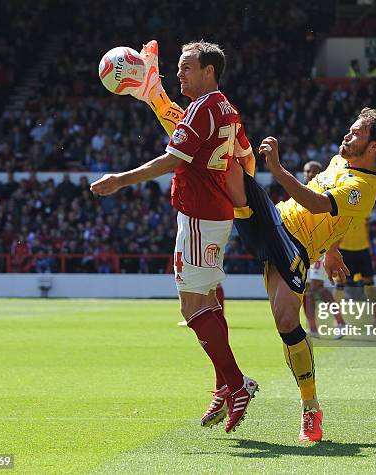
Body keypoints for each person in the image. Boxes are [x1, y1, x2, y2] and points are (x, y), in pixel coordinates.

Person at [91, 40, 258, 433]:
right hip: (215, 214)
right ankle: (223, 386)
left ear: (208, 72)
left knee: (191, 308)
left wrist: (121, 180)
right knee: (211, 300)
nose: (179, 72)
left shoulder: (202, 108)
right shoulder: (227, 108)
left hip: (200, 216)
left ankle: (236, 385)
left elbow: (171, 159)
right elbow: (246, 158)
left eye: (186, 67)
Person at [229, 108, 376, 442]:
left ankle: (310, 408)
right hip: (276, 224)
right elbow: (341, 219)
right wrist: (333, 249)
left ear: (374, 146)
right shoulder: (338, 162)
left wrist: (277, 169)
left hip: (295, 247)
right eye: (350, 131)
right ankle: (162, 100)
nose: (347, 136)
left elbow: (320, 204)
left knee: (287, 322)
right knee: (227, 169)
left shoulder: (363, 186)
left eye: (356, 134)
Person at [300, 160, 346, 338]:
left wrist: (332, 249)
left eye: (314, 171)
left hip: (321, 246)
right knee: (307, 289)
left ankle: (340, 323)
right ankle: (313, 329)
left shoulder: (326, 194)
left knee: (316, 287)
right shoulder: (301, 194)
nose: (310, 174)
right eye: (307, 171)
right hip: (305, 247)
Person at [334, 218, 376, 326]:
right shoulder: (342, 206)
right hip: (344, 250)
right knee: (340, 283)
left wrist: (369, 249)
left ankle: (375, 316)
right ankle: (338, 319)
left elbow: (366, 226)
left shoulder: (365, 207)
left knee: (369, 282)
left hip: (363, 249)